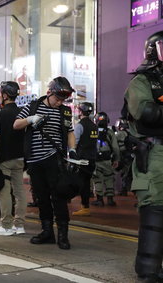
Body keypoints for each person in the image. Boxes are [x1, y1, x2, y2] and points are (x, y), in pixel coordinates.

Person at [13, 76, 76, 250]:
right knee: (41, 197)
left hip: (54, 159)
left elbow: (70, 132)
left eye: (63, 99)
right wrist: (30, 119)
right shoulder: (33, 106)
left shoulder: (64, 111)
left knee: (59, 196)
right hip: (34, 160)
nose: (59, 102)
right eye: (57, 98)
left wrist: (73, 149)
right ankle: (47, 231)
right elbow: (16, 124)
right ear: (49, 93)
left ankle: (63, 235)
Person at [124, 30, 163, 282]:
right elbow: (147, 113)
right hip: (155, 154)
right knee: (155, 210)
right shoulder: (142, 81)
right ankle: (148, 269)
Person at [0, 81, 26, 236]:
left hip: (5, 158)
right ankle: (20, 225)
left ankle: (6, 225)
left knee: (4, 191)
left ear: (4, 95)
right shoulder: (23, 113)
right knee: (19, 191)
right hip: (20, 158)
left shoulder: (0, 114)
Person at [72, 102, 98, 216]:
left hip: (82, 158)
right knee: (86, 182)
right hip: (92, 158)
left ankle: (84, 207)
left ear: (81, 112)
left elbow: (75, 142)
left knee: (82, 182)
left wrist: (71, 153)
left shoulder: (80, 125)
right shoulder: (94, 126)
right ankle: (85, 207)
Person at [91, 112, 120, 207]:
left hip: (96, 159)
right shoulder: (110, 132)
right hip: (107, 160)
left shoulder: (92, 131)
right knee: (109, 178)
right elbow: (115, 148)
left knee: (98, 179)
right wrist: (116, 159)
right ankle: (110, 200)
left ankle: (100, 200)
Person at [114, 118, 133, 196]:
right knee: (126, 172)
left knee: (123, 173)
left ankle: (123, 190)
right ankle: (124, 189)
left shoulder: (120, 133)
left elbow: (113, 140)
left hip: (123, 155)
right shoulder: (129, 133)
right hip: (128, 155)